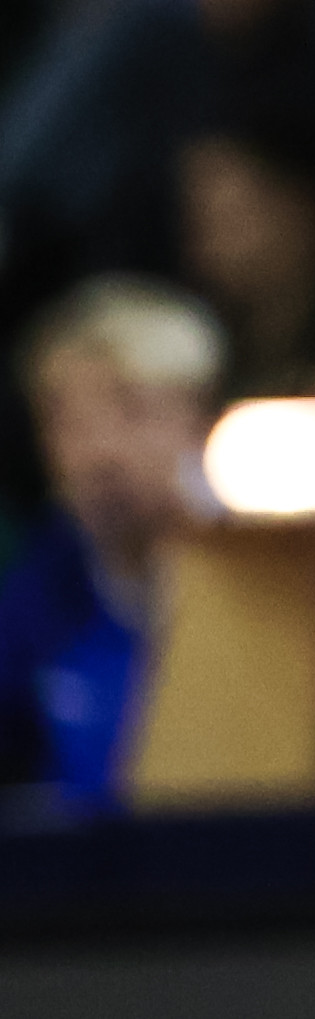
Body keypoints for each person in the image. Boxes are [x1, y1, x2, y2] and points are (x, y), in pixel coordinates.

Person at [0, 278, 220, 811]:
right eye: (67, 422)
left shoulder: (274, 582)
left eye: (132, 411)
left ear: (199, 421)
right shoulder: (31, 599)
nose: (99, 452)